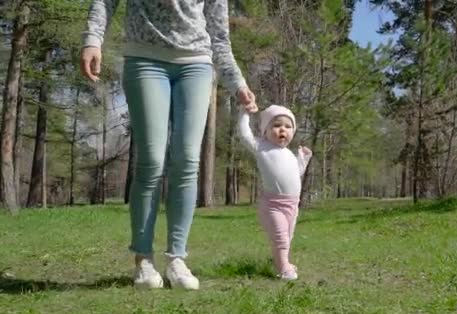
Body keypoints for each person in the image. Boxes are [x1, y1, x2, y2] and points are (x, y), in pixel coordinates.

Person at [80, 0, 258, 290]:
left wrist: (236, 82)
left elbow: (219, 36)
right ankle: (143, 259)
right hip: (145, 59)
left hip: (197, 64)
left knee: (187, 160)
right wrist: (92, 40)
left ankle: (177, 259)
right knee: (151, 160)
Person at [238, 105, 312, 280]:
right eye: (277, 125)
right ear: (266, 130)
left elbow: (297, 173)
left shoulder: (289, 154)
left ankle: (282, 261)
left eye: (288, 126)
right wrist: (244, 113)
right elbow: (244, 134)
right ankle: (283, 268)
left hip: (292, 205)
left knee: (287, 236)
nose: (282, 130)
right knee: (280, 237)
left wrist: (304, 159)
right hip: (273, 205)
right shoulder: (261, 147)